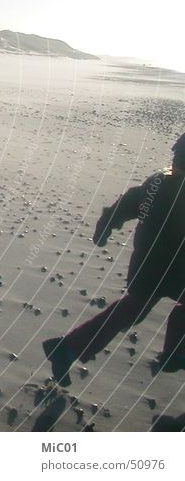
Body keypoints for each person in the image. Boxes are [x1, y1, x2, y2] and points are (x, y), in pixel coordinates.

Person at [43, 133, 185, 385]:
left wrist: (107, 223)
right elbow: (133, 203)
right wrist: (108, 222)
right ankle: (175, 355)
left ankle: (67, 349)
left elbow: (130, 202)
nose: (175, 160)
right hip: (164, 265)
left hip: (153, 264)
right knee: (135, 309)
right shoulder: (166, 184)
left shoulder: (161, 181)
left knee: (133, 309)